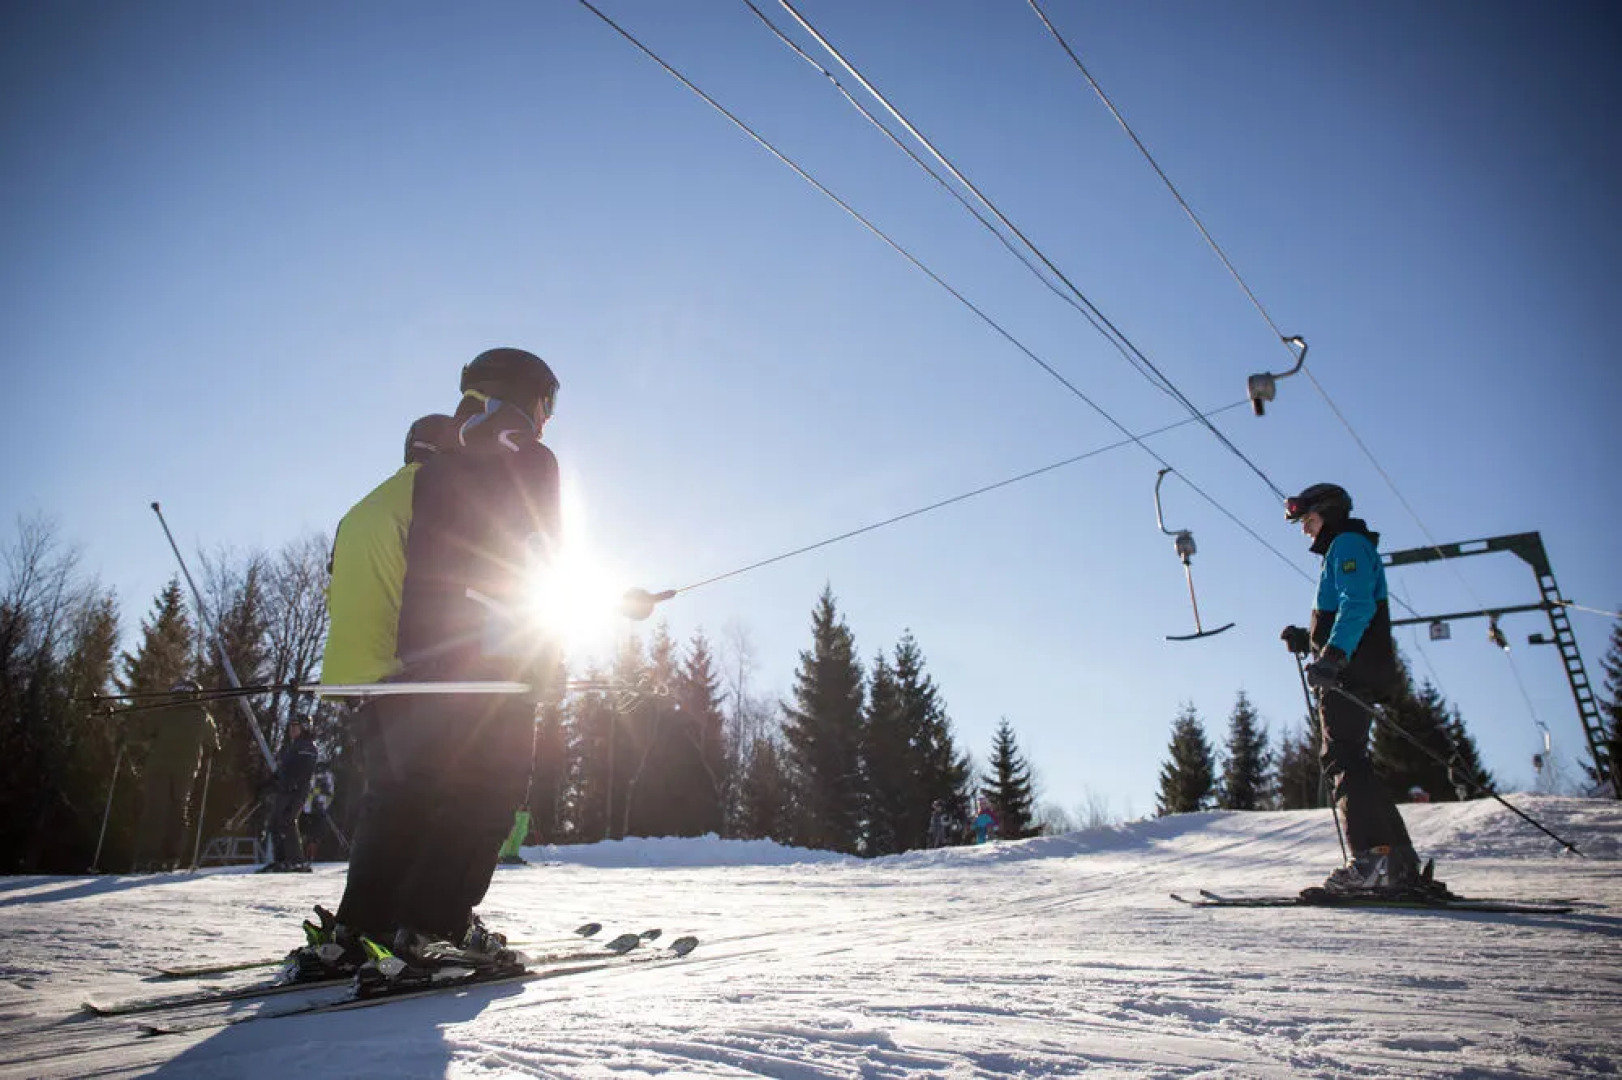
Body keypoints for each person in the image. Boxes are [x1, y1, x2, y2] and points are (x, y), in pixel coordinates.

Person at [290, 348, 658, 988]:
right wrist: (543, 656)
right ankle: (435, 930)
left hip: (403, 666)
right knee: (484, 793)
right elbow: (530, 560)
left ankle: (367, 926)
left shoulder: (436, 462)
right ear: (527, 396)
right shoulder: (521, 454)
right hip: (481, 662)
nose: (548, 419)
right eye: (548, 402)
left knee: (403, 799)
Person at [1280, 483, 1430, 895]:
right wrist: (1307, 639)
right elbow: (1343, 610)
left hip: (1350, 671)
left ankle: (1372, 862)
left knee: (1342, 758)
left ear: (1328, 514)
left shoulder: (1345, 544)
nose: (1306, 531)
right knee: (1354, 761)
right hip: (1353, 666)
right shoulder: (1344, 549)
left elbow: (1358, 605)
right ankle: (1395, 862)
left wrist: (1331, 657)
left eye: (1308, 521)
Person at [130, 682, 218, 872]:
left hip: (158, 768)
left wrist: (128, 740)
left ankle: (147, 857)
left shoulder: (163, 713)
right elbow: (213, 744)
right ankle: (172, 856)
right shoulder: (203, 716)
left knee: (155, 810)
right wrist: (211, 751)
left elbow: (144, 732)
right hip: (185, 771)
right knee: (178, 811)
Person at [260, 718, 319, 872]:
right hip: (285, 789)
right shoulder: (294, 746)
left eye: (296, 727)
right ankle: (282, 859)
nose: (292, 730)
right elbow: (284, 769)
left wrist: (294, 783)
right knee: (274, 823)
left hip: (296, 790)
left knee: (287, 820)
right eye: (291, 727)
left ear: (304, 728)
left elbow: (304, 769)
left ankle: (296, 860)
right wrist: (271, 781)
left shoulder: (307, 746)